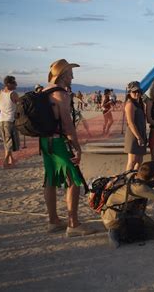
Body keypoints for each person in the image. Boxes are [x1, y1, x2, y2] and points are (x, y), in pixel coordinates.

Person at [41, 59, 95, 237]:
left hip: (44, 141)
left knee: (50, 178)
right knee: (73, 180)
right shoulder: (61, 94)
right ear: (63, 75)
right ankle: (73, 224)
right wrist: (77, 147)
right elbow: (67, 124)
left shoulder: (43, 91)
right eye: (70, 73)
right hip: (58, 141)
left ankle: (53, 220)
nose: (73, 76)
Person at [102, 161, 154, 249]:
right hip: (116, 219)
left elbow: (145, 185)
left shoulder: (132, 175)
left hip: (111, 213)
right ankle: (119, 234)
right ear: (153, 176)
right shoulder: (139, 188)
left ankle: (120, 230)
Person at [0, 76, 20, 168]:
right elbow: (19, 106)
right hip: (10, 120)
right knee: (10, 143)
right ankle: (5, 162)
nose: (16, 85)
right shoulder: (13, 94)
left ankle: (11, 160)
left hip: (1, 120)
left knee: (6, 142)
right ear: (9, 84)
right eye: (14, 83)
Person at [124, 81, 147, 171]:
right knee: (132, 161)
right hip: (134, 135)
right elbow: (131, 123)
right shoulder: (130, 104)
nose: (137, 93)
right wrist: (138, 137)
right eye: (134, 92)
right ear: (129, 93)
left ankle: (134, 179)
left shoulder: (140, 103)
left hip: (141, 133)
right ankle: (127, 180)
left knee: (139, 161)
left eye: (138, 91)